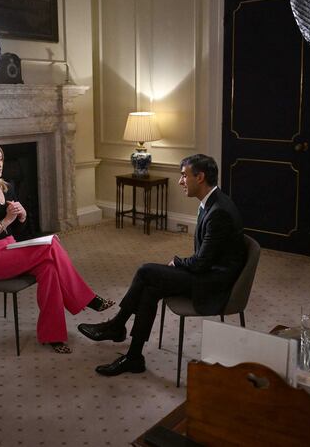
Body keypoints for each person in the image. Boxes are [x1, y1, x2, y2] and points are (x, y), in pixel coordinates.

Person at [78, 154, 247, 376]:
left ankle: (117, 325)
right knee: (150, 287)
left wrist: (178, 262)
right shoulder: (213, 203)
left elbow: (202, 262)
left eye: (184, 176)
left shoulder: (219, 212)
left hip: (213, 285)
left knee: (146, 270)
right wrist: (182, 264)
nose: (180, 181)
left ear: (200, 177)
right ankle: (133, 356)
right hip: (207, 273)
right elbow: (206, 257)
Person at [0, 141, 114, 354]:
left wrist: (22, 216)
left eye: (1, 160)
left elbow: (21, 233)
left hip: (9, 248)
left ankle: (53, 335)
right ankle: (87, 299)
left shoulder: (6, 188)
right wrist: (6, 221)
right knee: (51, 243)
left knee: (49, 268)